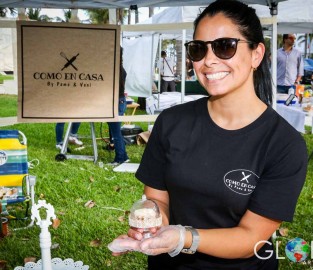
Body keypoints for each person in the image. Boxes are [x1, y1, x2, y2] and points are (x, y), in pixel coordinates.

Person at [109, 1, 308, 269]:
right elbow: (157, 199)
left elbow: (251, 238)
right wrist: (154, 226)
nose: (209, 60)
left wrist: (183, 237)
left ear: (256, 54)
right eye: (198, 49)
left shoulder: (283, 145)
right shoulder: (171, 123)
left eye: (225, 46)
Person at [106, 47, 129, 166]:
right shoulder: (121, 69)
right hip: (119, 101)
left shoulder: (114, 70)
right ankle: (123, 155)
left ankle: (121, 158)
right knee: (116, 131)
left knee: (116, 132)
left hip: (116, 102)